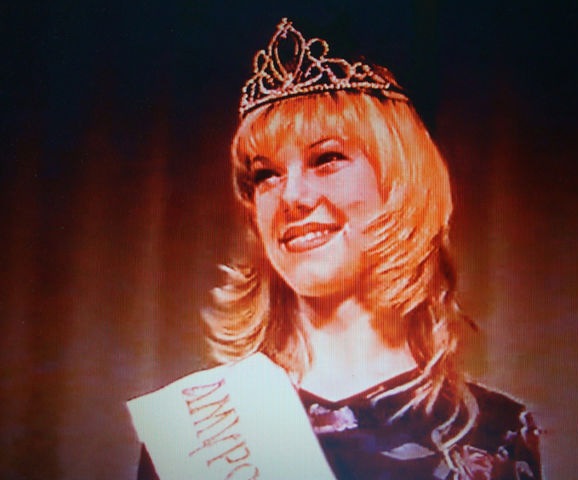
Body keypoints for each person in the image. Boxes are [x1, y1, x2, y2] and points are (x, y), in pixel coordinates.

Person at [136, 18, 541, 480]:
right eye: (266, 175)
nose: (291, 196)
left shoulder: (494, 434)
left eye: (327, 159)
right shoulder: (190, 434)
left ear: (400, 183)